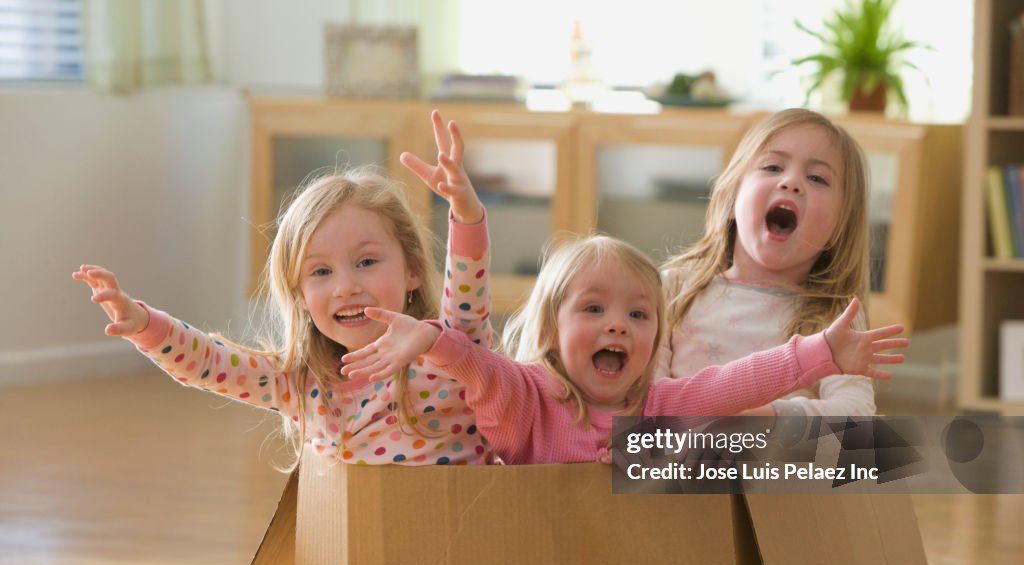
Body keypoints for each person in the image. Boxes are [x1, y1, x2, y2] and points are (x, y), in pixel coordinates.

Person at [73, 111, 495, 468]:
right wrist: (142, 325)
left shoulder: (450, 352)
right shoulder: (300, 382)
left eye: (366, 262)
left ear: (413, 271)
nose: (345, 287)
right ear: (299, 296)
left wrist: (467, 215)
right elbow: (207, 363)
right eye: (320, 272)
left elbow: (467, 294)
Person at [340, 235, 907, 465]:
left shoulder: (661, 406)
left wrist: (823, 353)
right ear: (549, 332)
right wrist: (434, 340)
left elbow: (742, 380)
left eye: (638, 315)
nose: (618, 326)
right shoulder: (527, 399)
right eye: (593, 309)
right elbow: (480, 370)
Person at [659, 108, 878, 417]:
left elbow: (856, 414)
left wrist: (770, 417)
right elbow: (641, 393)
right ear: (733, 199)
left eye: (817, 178)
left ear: (839, 227)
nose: (791, 182)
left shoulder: (835, 316)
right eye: (773, 167)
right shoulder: (672, 288)